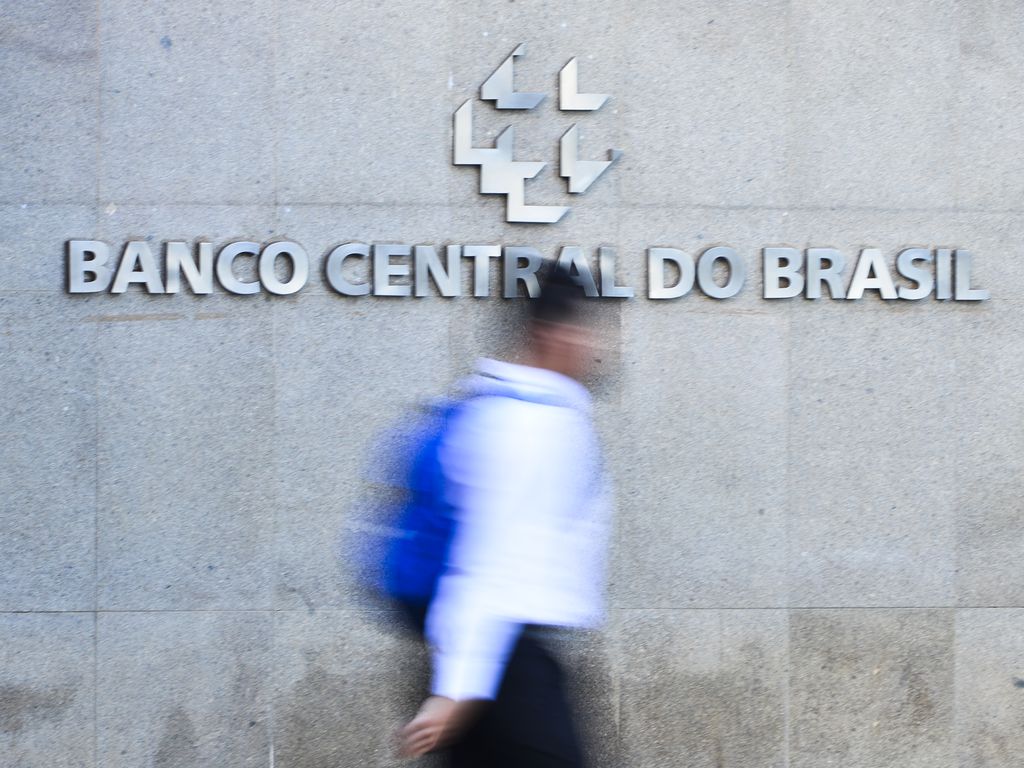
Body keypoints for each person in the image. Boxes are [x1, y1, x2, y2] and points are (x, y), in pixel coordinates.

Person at [397, 261, 612, 767]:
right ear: (552, 335)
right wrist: (458, 688)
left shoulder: (501, 405)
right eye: (586, 333)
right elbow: (488, 558)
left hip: (486, 655)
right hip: (498, 662)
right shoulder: (529, 423)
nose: (596, 349)